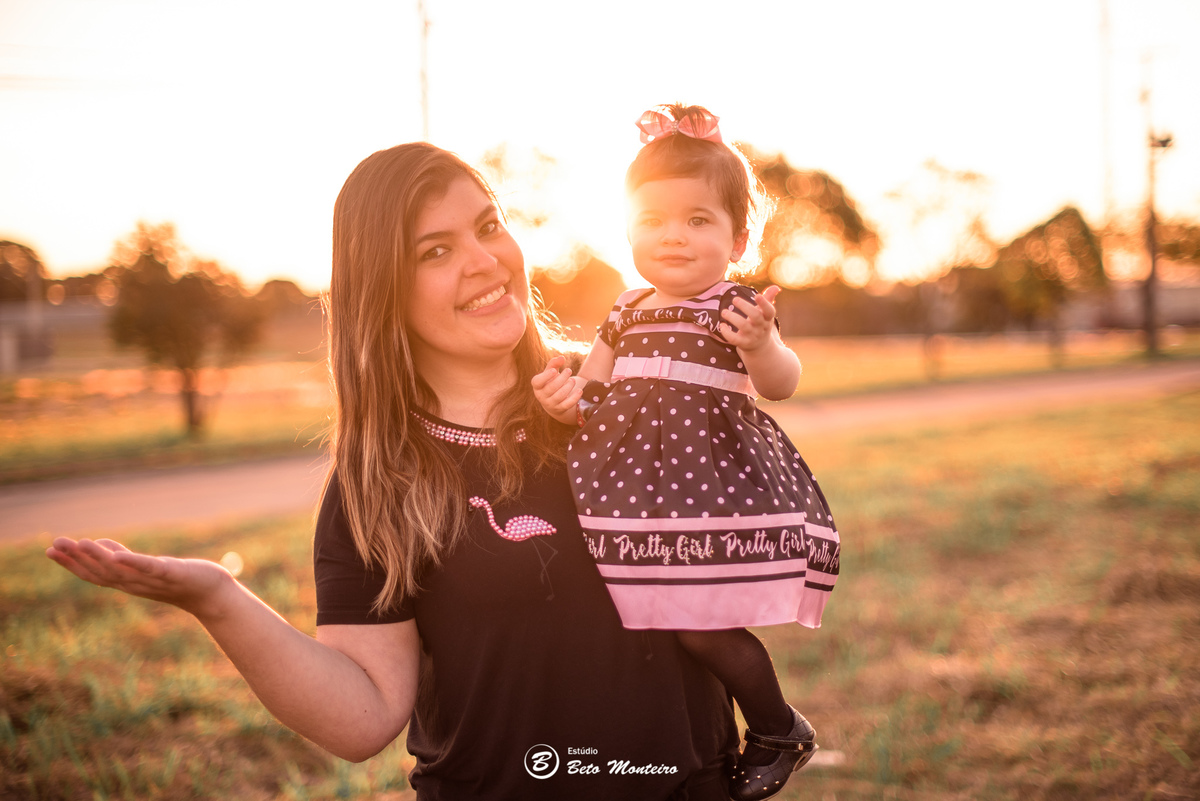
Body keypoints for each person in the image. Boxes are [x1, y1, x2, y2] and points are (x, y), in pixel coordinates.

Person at [45, 142, 741, 800]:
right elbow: (365, 716)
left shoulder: (622, 385)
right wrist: (217, 598)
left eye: (488, 225)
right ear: (385, 289)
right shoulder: (379, 483)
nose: (485, 261)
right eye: (436, 250)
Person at [533, 104, 841, 801]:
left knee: (698, 624)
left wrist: (761, 343)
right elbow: (592, 394)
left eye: (698, 220)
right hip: (630, 498)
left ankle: (777, 724)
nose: (673, 236)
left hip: (707, 494)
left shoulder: (734, 305)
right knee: (640, 616)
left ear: (737, 239)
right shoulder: (624, 308)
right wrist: (564, 402)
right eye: (653, 220)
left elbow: (781, 384)